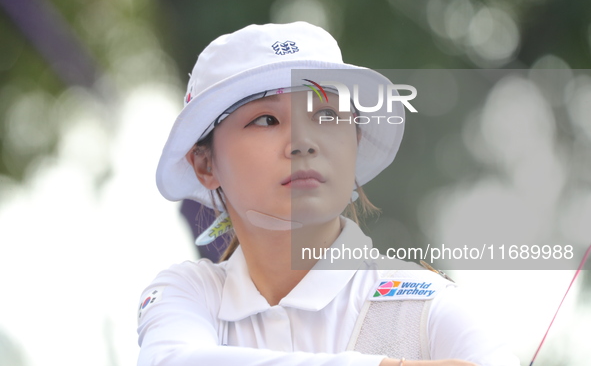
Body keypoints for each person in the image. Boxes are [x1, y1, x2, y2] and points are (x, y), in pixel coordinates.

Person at [137, 21, 519, 366]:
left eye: (326, 115)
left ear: (355, 138)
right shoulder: (189, 294)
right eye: (266, 119)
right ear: (205, 165)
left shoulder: (429, 307)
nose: (302, 143)